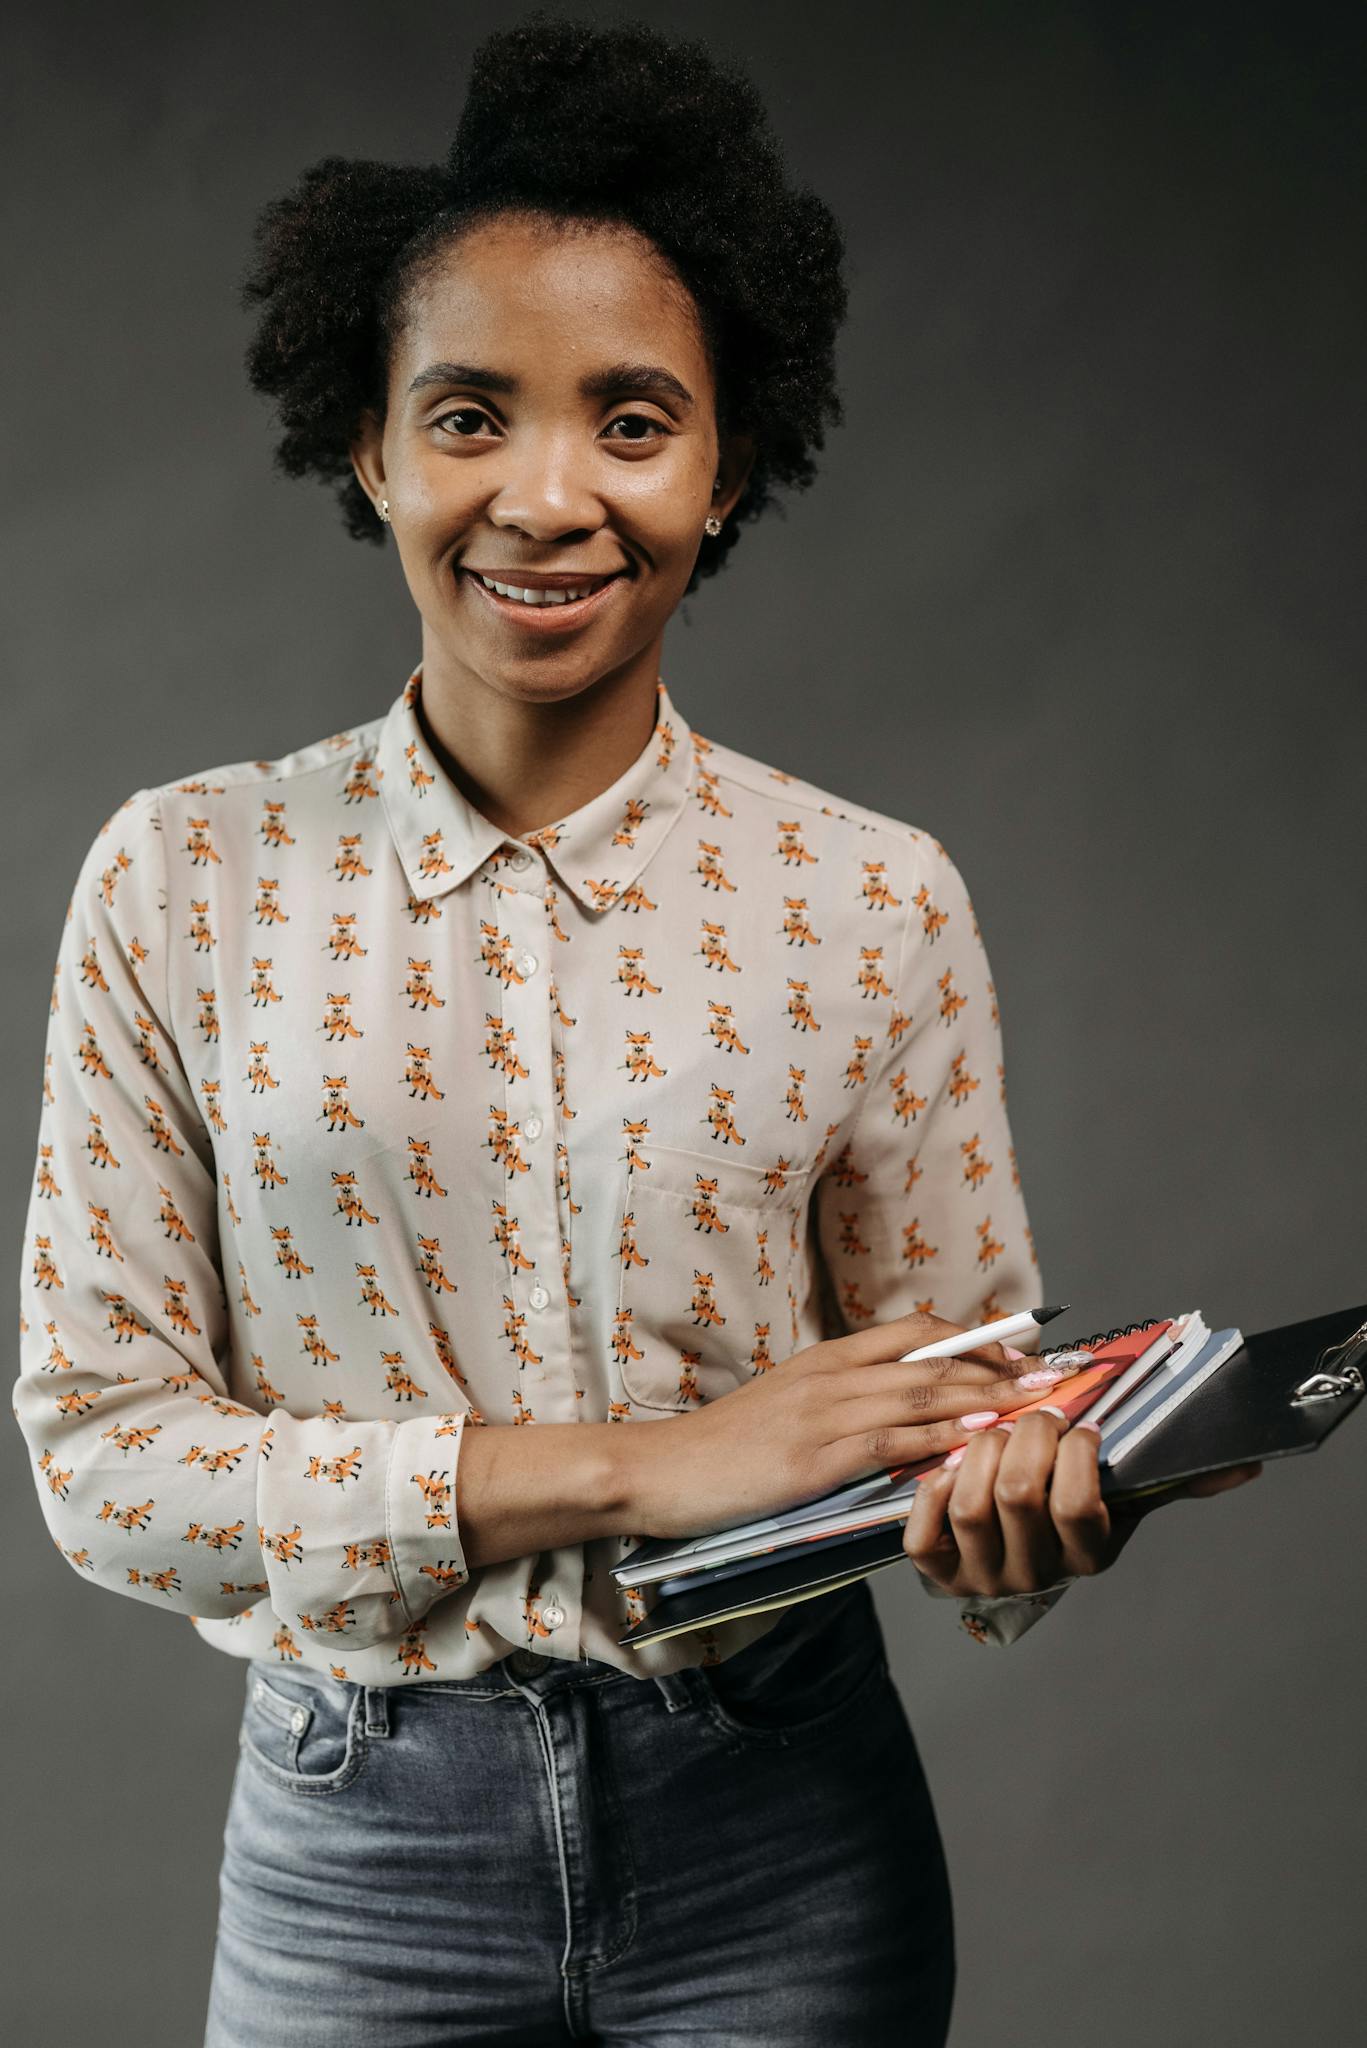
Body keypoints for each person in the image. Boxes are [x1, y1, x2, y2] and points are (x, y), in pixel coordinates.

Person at [13, 16, 1261, 2045]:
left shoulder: (872, 898)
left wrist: (1032, 1497)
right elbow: (104, 1464)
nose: (546, 495)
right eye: (471, 413)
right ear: (371, 443)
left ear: (729, 460)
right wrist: (634, 1470)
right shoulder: (180, 880)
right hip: (359, 1843)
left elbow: (953, 1419)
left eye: (634, 417)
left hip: (783, 1827)